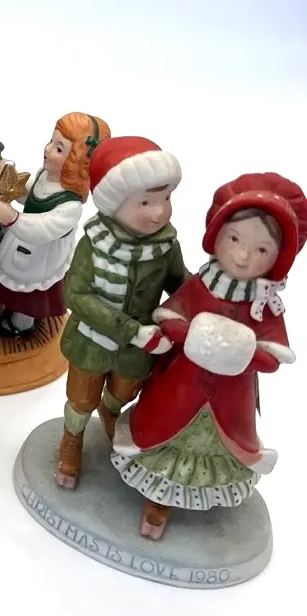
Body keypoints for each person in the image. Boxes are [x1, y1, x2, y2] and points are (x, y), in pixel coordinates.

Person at [111, 173, 307, 539]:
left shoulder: (263, 305)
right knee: (162, 436)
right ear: (216, 236)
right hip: (181, 387)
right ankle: (157, 504)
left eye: (261, 250)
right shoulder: (203, 285)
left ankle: (195, 500)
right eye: (234, 239)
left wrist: (245, 351)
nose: (243, 256)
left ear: (278, 258)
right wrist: (193, 334)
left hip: (231, 399)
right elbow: (170, 317)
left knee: (222, 445)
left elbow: (273, 357)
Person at [56, 136, 189, 489]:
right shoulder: (94, 245)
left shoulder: (165, 246)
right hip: (91, 344)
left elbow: (181, 283)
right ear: (114, 204)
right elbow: (76, 294)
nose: (159, 212)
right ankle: (72, 439)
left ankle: (111, 412)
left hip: (138, 351)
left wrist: (205, 299)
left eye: (165, 199)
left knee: (125, 392)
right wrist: (130, 329)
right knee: (81, 398)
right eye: (146, 202)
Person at [0, 112, 111, 338]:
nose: (47, 149)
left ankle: (21, 324)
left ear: (76, 163)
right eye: (51, 141)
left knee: (30, 295)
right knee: (13, 283)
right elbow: (31, 194)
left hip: (40, 257)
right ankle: (8, 309)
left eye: (59, 149)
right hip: (20, 244)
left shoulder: (70, 206)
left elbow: (43, 228)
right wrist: (10, 179)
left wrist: (12, 217)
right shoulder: (44, 176)